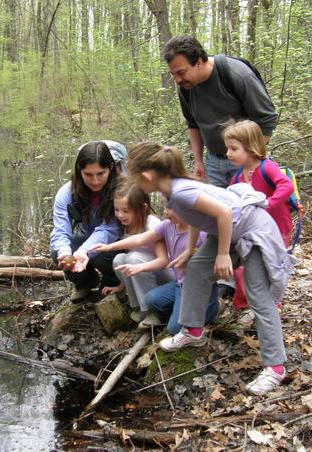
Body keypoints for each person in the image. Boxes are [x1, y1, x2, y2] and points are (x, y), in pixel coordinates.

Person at [125, 141, 294, 396]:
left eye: (134, 177)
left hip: (251, 229)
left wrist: (224, 254)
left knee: (259, 297)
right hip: (226, 230)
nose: (134, 183)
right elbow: (196, 218)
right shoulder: (172, 191)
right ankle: (193, 330)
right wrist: (188, 250)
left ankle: (276, 369)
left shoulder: (182, 191)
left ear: (147, 176)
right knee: (196, 268)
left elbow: (224, 213)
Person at [162, 35, 278, 188]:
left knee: (248, 210)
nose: (177, 80)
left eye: (181, 72)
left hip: (246, 162)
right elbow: (193, 124)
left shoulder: (236, 74)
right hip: (214, 163)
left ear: (198, 62)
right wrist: (198, 162)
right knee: (219, 210)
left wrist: (251, 159)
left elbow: (267, 118)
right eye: (173, 74)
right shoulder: (185, 89)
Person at [222, 120, 294, 326]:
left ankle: (273, 302)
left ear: (252, 148)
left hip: (277, 227)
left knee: (273, 263)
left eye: (234, 148)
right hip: (252, 231)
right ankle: (247, 304)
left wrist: (269, 203)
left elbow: (286, 185)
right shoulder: (237, 178)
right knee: (248, 266)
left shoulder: (266, 167)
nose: (228, 153)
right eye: (228, 148)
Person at [50, 141, 124, 303]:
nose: (95, 181)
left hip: (119, 245)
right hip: (89, 239)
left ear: (110, 168)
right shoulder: (66, 193)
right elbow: (61, 231)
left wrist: (84, 250)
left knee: (97, 252)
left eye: (100, 174)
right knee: (56, 251)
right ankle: (85, 282)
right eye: (88, 175)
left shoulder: (122, 189)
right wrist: (64, 253)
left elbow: (109, 229)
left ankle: (114, 280)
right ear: (79, 171)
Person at [100, 179, 174, 327]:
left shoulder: (151, 224)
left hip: (168, 275)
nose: (120, 215)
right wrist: (120, 287)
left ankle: (153, 312)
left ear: (143, 207)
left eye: (126, 210)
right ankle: (139, 306)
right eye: (117, 210)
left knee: (133, 258)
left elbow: (164, 260)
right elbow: (128, 262)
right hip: (144, 272)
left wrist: (139, 267)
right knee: (119, 259)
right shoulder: (126, 227)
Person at [143, 206, 220, 334]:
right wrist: (109, 246)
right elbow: (140, 238)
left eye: (171, 207)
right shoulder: (168, 226)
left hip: (199, 287)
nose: (166, 211)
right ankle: (178, 315)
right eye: (166, 206)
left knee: (173, 329)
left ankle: (212, 308)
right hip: (180, 283)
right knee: (151, 299)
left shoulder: (202, 232)